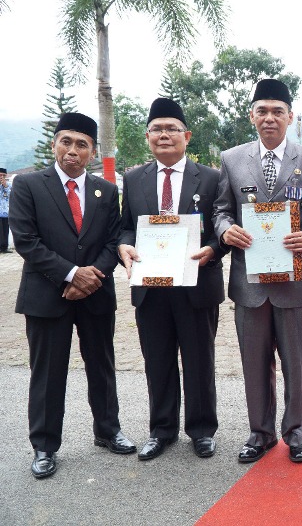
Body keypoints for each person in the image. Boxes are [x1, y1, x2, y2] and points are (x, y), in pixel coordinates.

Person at [9, 112, 135, 479]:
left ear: (92, 151)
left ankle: (108, 430)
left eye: (82, 144)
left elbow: (114, 241)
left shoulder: (107, 191)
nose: (72, 151)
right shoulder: (29, 186)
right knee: (47, 372)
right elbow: (27, 242)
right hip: (47, 295)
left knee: (102, 364)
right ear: (54, 144)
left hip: (95, 293)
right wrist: (70, 273)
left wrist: (90, 277)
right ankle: (45, 445)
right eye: (66, 141)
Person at [213, 79, 302, 464]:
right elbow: (220, 209)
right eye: (262, 110)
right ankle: (260, 433)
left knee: (297, 362)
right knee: (254, 362)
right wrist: (225, 229)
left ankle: (297, 432)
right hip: (250, 282)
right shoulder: (231, 159)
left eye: (278, 111)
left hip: (295, 280)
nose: (270, 118)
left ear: (290, 117)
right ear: (251, 116)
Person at [118, 98, 225, 460]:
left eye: (172, 129)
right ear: (148, 136)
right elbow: (125, 228)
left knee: (199, 360)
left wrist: (213, 250)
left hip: (196, 285)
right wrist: (124, 248)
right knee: (157, 360)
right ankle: (161, 430)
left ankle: (201, 430)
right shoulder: (133, 179)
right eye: (157, 129)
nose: (164, 135)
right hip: (150, 288)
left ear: (187, 136)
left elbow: (222, 230)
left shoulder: (210, 178)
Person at [0, 168, 10, 252]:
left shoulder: (9, 185)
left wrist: (5, 186)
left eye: (4, 175)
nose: (2, 177)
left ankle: (4, 247)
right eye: (0, 175)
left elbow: (12, 195)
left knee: (5, 231)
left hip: (6, 212)